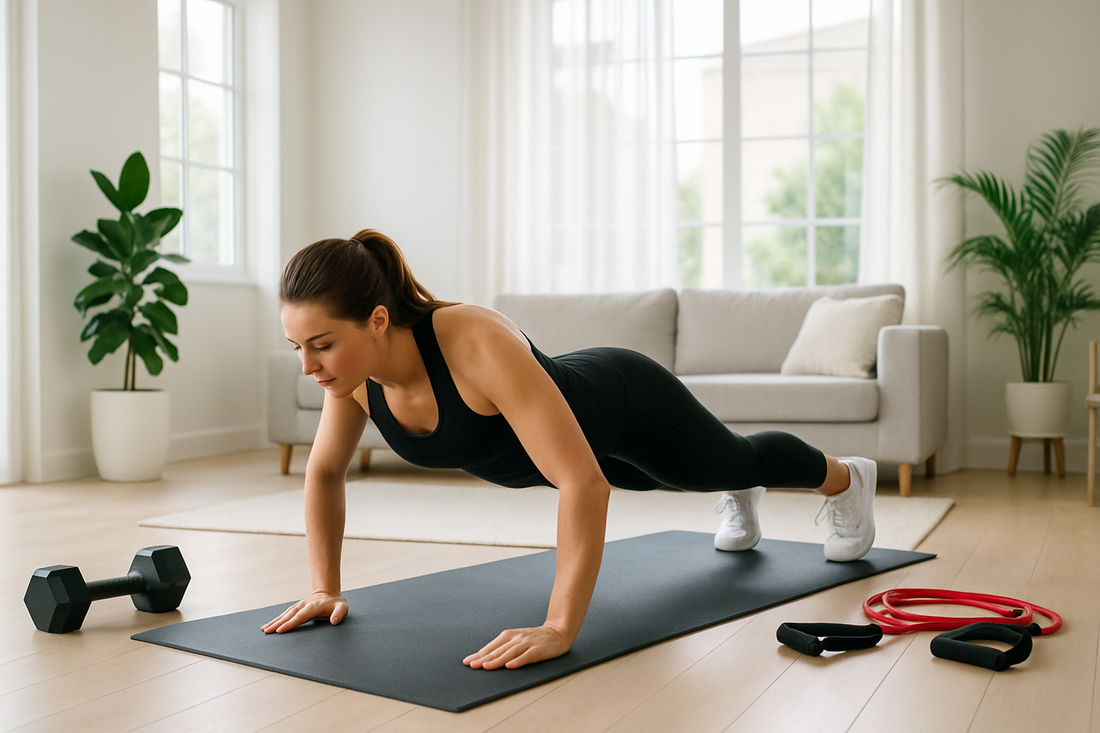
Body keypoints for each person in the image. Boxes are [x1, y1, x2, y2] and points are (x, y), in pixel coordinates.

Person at [261, 229, 878, 671]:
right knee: (667, 479)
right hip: (577, 443)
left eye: (321, 344)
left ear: (376, 320)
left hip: (627, 405)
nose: (309, 366)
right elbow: (325, 473)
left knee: (733, 462)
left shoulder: (472, 342)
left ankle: (846, 478)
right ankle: (737, 492)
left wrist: (559, 626)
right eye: (298, 348)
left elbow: (582, 484)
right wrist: (324, 588)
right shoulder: (352, 378)